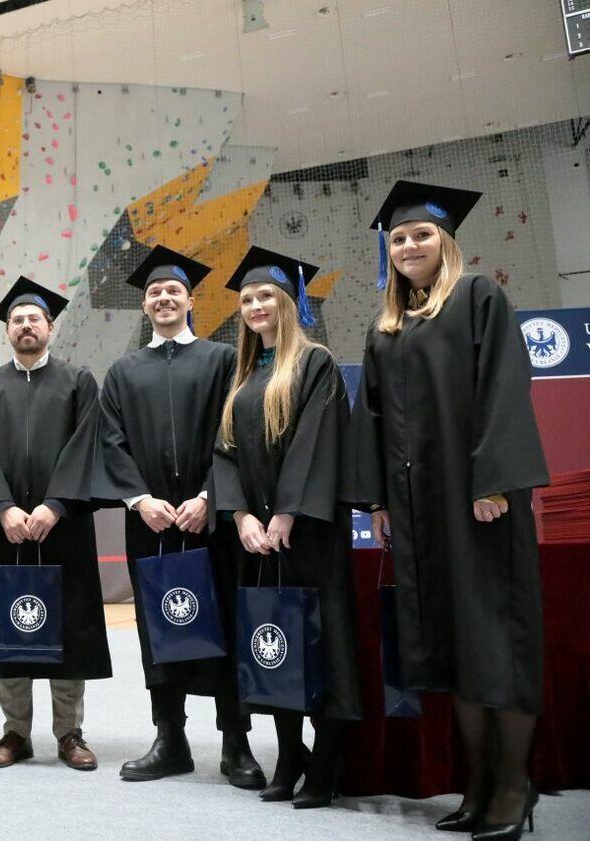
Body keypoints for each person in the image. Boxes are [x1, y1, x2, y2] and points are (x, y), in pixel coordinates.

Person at [348, 181, 548, 839]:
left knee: (496, 642)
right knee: (455, 647)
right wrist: (378, 499)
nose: (409, 245)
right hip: (421, 512)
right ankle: (478, 783)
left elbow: (503, 388)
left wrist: (494, 482)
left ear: (446, 241)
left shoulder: (478, 296)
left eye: (421, 235)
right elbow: (372, 418)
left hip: (480, 502)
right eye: (399, 238)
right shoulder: (387, 328)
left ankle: (514, 785)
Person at [95, 246, 263, 789]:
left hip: (210, 520)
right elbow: (110, 443)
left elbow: (235, 431)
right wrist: (139, 501)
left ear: (191, 301)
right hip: (150, 522)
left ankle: (236, 743)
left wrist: (210, 496)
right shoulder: (123, 372)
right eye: (154, 292)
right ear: (145, 305)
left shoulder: (222, 360)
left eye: (173, 290)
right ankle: (170, 739)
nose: (163, 297)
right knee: (158, 626)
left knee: (226, 623)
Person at [212, 246, 361, 809]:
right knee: (273, 643)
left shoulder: (315, 363)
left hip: (309, 536)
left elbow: (317, 443)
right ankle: (288, 756)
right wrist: (241, 515)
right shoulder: (244, 374)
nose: (255, 306)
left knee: (322, 644)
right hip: (259, 539)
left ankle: (325, 760)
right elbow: (224, 453)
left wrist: (287, 512)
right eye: (247, 299)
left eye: (265, 297)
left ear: (288, 303)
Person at [0, 276, 112, 771]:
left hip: (62, 527)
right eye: (17, 320)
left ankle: (69, 733)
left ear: (50, 327)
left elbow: (86, 443)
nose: (26, 326)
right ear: (7, 330)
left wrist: (56, 504)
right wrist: (2, 507)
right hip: (6, 529)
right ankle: (16, 733)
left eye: (34, 319)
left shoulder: (78, 382)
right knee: (11, 626)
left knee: (66, 627)